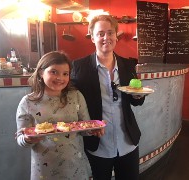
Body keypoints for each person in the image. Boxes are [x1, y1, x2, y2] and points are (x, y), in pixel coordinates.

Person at [71, 15, 145, 180]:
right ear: (92, 37)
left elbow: (135, 100)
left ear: (116, 36)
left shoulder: (128, 65)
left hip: (127, 142)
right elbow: (72, 101)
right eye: (100, 33)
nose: (106, 38)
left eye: (110, 33)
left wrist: (138, 96)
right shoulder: (79, 67)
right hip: (98, 144)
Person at [15, 51, 104, 180]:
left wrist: (93, 130)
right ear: (41, 72)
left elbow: (85, 127)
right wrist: (27, 139)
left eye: (65, 74)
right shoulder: (28, 102)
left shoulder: (76, 96)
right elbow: (20, 138)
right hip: (44, 169)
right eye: (54, 72)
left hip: (75, 166)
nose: (60, 78)